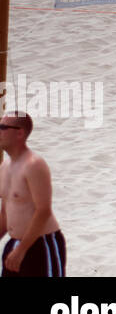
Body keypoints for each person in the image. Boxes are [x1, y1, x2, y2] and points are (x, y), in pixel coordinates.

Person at [0, 113, 66, 277]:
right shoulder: (5, 167)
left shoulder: (34, 165)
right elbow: (5, 213)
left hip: (41, 244)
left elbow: (43, 211)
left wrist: (22, 250)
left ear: (20, 133)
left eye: (2, 127)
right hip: (14, 244)